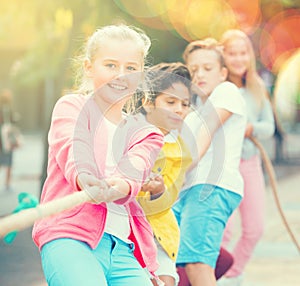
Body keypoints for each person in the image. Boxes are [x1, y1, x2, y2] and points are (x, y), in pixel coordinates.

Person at [32, 24, 165, 286]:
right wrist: (85, 176)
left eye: (130, 68)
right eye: (111, 65)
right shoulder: (71, 107)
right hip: (70, 236)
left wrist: (124, 183)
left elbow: (137, 165)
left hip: (123, 249)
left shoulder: (146, 133)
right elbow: (72, 144)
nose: (121, 76)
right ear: (89, 67)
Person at [172, 38, 247, 286]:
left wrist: (176, 174)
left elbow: (206, 134)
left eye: (207, 68)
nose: (199, 74)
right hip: (188, 191)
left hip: (210, 187)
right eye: (193, 70)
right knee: (179, 261)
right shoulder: (192, 107)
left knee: (196, 264)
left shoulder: (226, 91)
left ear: (223, 72)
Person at [218, 29, 275, 286]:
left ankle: (234, 273)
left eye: (243, 53)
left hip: (250, 164)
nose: (238, 59)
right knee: (223, 229)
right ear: (223, 55)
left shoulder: (256, 87)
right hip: (224, 165)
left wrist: (251, 128)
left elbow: (269, 127)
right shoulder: (218, 89)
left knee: (254, 228)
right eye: (232, 53)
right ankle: (211, 274)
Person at [136, 62, 193, 286]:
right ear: (148, 103)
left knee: (165, 281)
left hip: (158, 234)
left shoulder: (181, 152)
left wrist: (159, 191)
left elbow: (168, 199)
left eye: (185, 104)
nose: (179, 109)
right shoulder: (128, 133)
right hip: (124, 234)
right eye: (171, 102)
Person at [0, 88, 20, 191]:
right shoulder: (9, 108)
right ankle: (7, 182)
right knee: (9, 161)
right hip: (7, 138)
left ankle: (7, 182)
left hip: (3, 139)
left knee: (4, 160)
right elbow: (12, 120)